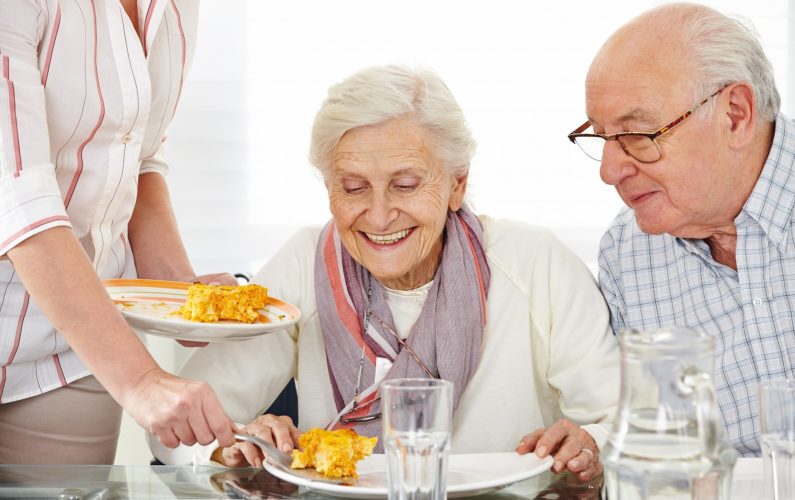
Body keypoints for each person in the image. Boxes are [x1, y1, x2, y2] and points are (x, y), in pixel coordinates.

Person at [174, 64, 619, 480]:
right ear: (329, 189)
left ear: (456, 184)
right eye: (353, 187)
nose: (380, 215)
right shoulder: (304, 261)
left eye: (406, 185)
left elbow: (615, 422)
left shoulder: (536, 262)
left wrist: (588, 444)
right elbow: (181, 418)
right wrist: (235, 446)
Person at [0, 0, 236, 464]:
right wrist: (142, 381)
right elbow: (16, 195)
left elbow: (139, 155)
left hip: (73, 349)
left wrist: (177, 290)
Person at [567, 2, 794, 456]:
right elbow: (640, 438)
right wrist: (596, 442)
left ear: (735, 114)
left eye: (639, 135)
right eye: (601, 138)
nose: (610, 171)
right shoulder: (627, 254)